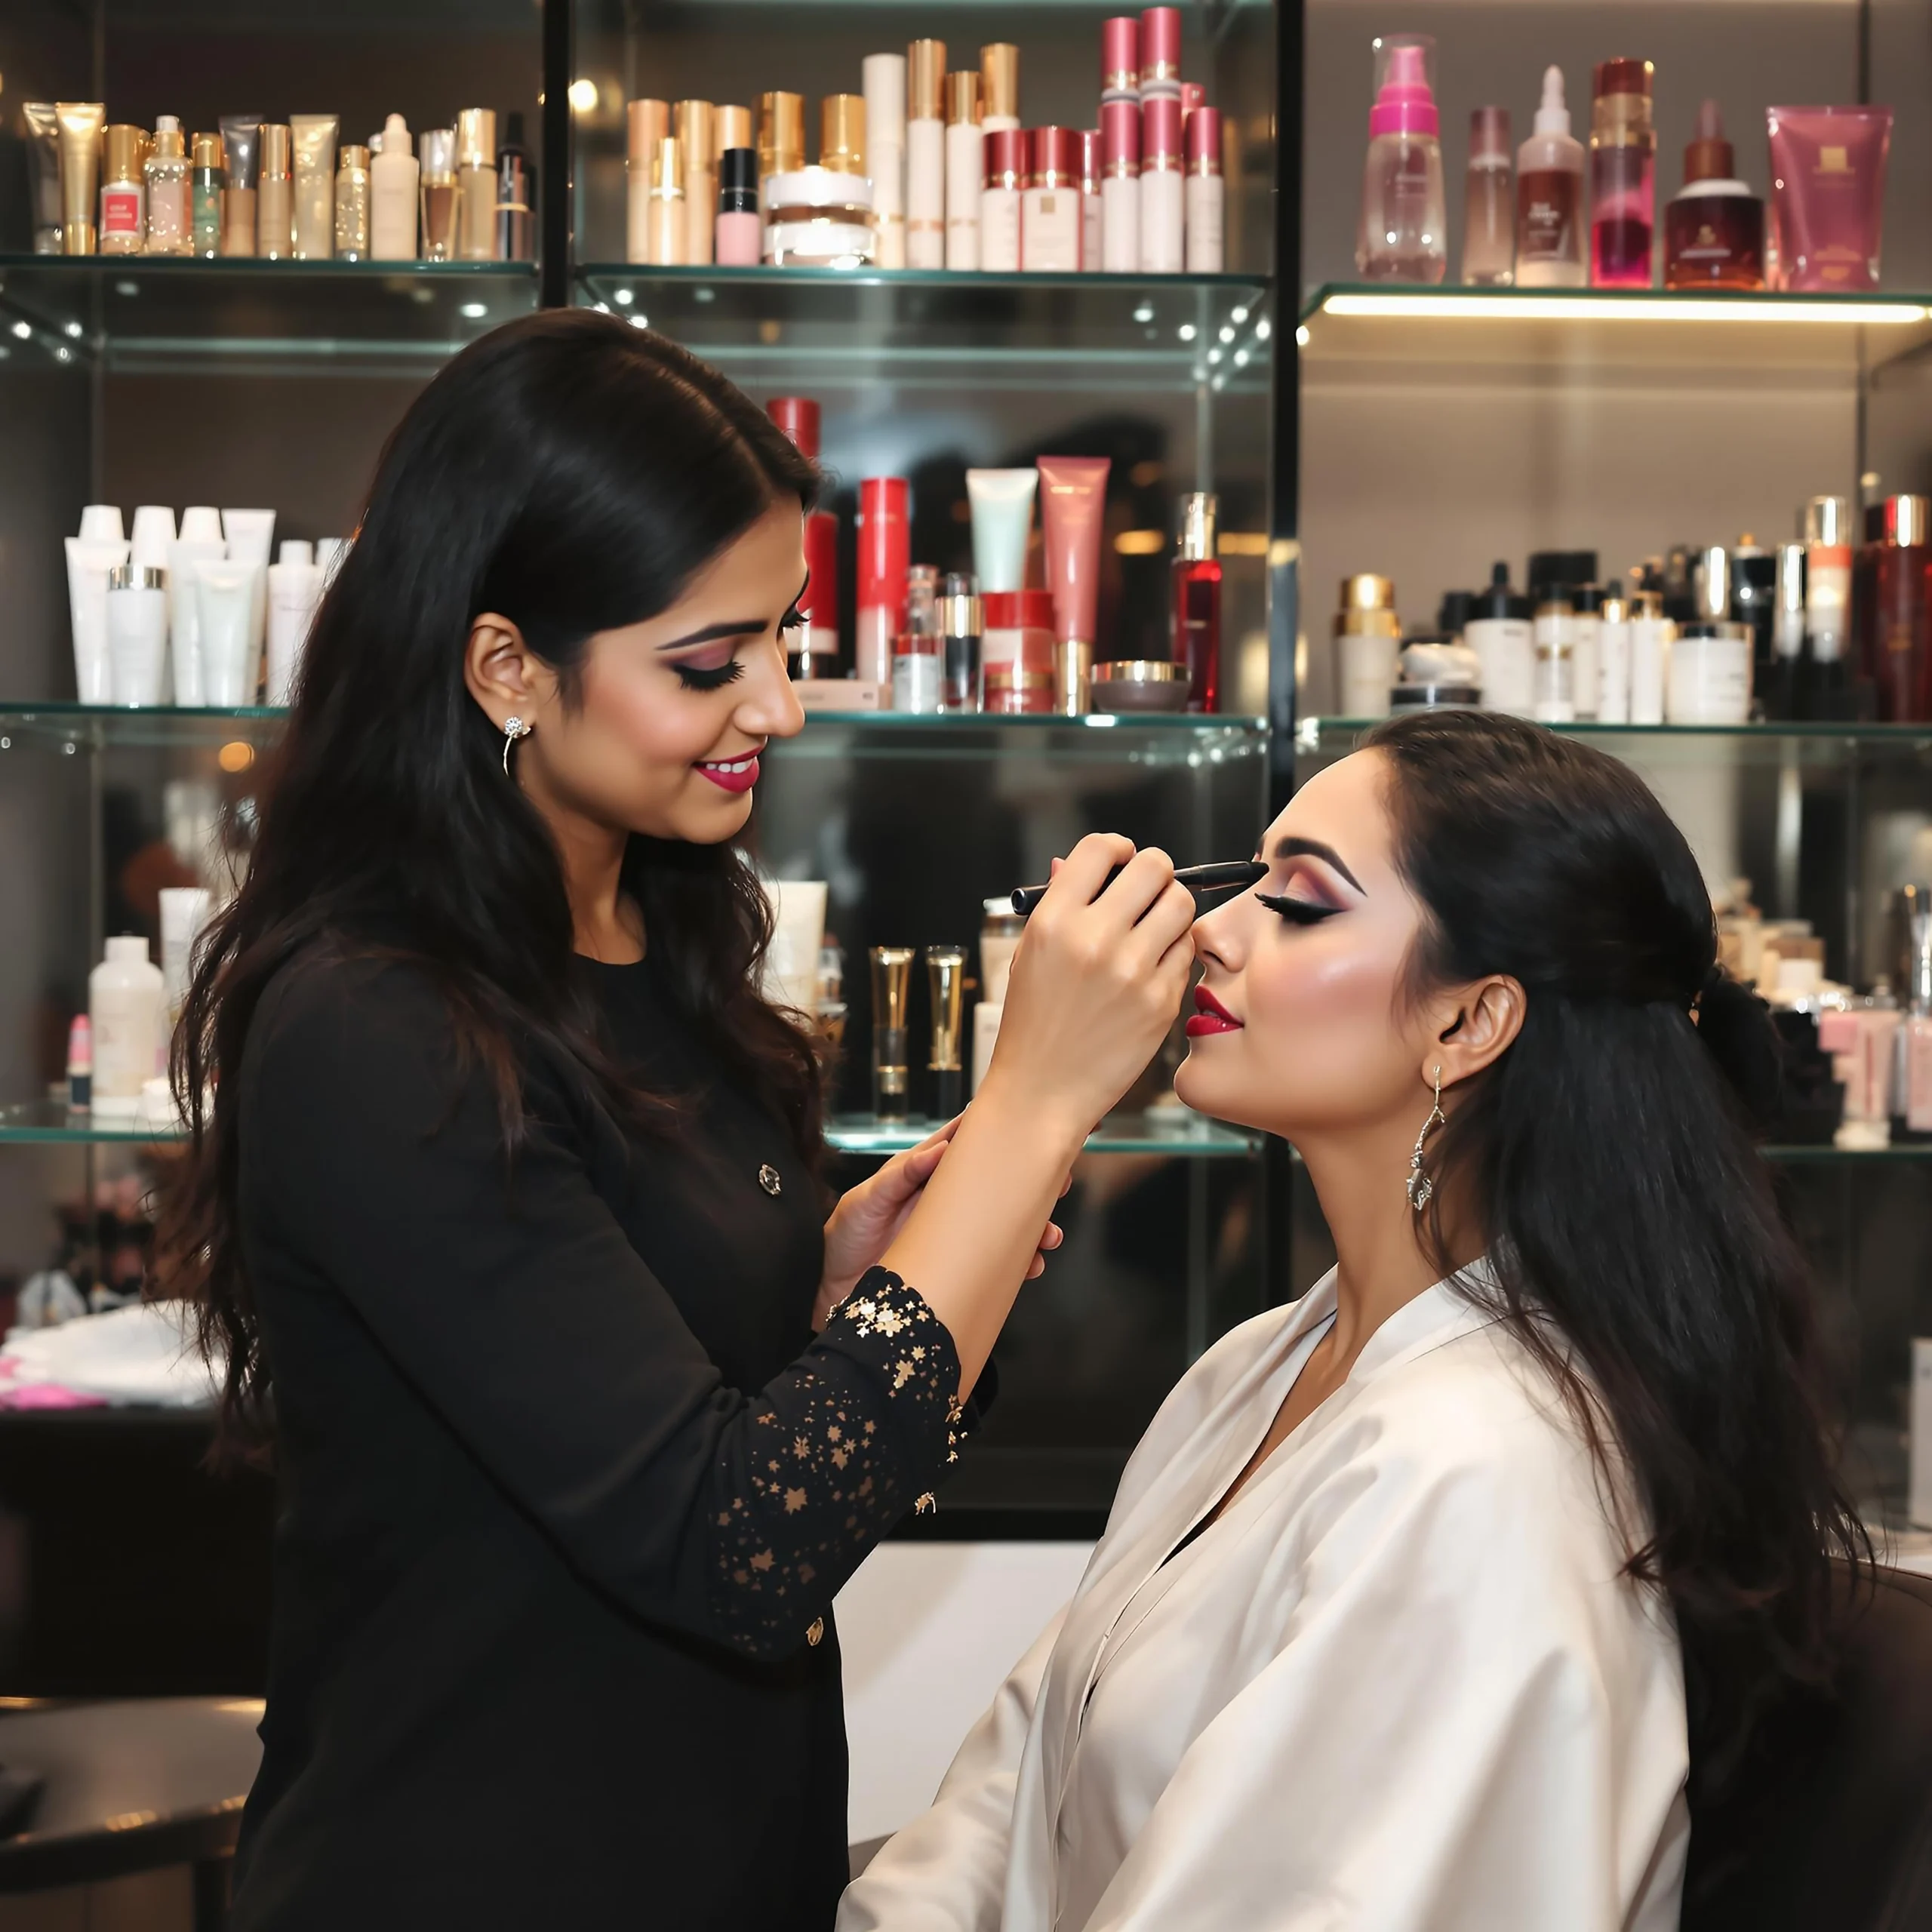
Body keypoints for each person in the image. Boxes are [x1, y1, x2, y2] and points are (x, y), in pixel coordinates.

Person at [155, 311, 1199, 1930]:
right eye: (707, 663)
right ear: (506, 664)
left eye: (781, 636)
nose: (773, 708)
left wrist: (825, 1298)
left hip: (717, 1851)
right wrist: (1036, 1099)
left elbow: (695, 1415)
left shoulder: (667, 932)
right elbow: (738, 1548)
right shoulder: (377, 1024)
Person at [840, 709, 1866, 1932]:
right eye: (1246, 884)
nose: (1209, 936)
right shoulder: (1254, 1369)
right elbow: (1020, 1789)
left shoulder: (1480, 1472)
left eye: (1299, 903)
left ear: (1466, 1022)